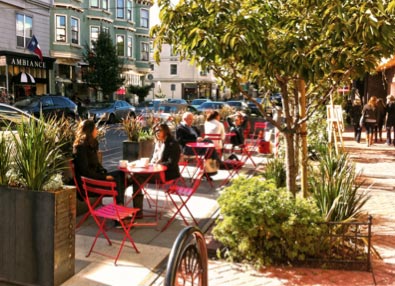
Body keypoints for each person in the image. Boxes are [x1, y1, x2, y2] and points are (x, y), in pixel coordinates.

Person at [131, 123, 181, 217]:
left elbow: (171, 163)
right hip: (154, 171)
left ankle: (137, 211)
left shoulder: (172, 144)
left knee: (136, 178)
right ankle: (137, 210)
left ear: (166, 131)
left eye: (159, 130)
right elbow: (153, 159)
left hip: (166, 174)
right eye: (156, 131)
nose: (157, 133)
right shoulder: (158, 143)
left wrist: (157, 166)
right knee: (135, 177)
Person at [72, 119, 126, 204]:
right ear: (90, 131)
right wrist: (104, 177)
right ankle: (120, 207)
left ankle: (120, 206)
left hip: (96, 177)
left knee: (121, 174)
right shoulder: (80, 148)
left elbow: (97, 164)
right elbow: (85, 172)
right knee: (119, 184)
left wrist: (104, 172)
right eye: (95, 129)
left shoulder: (92, 144)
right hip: (89, 183)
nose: (96, 131)